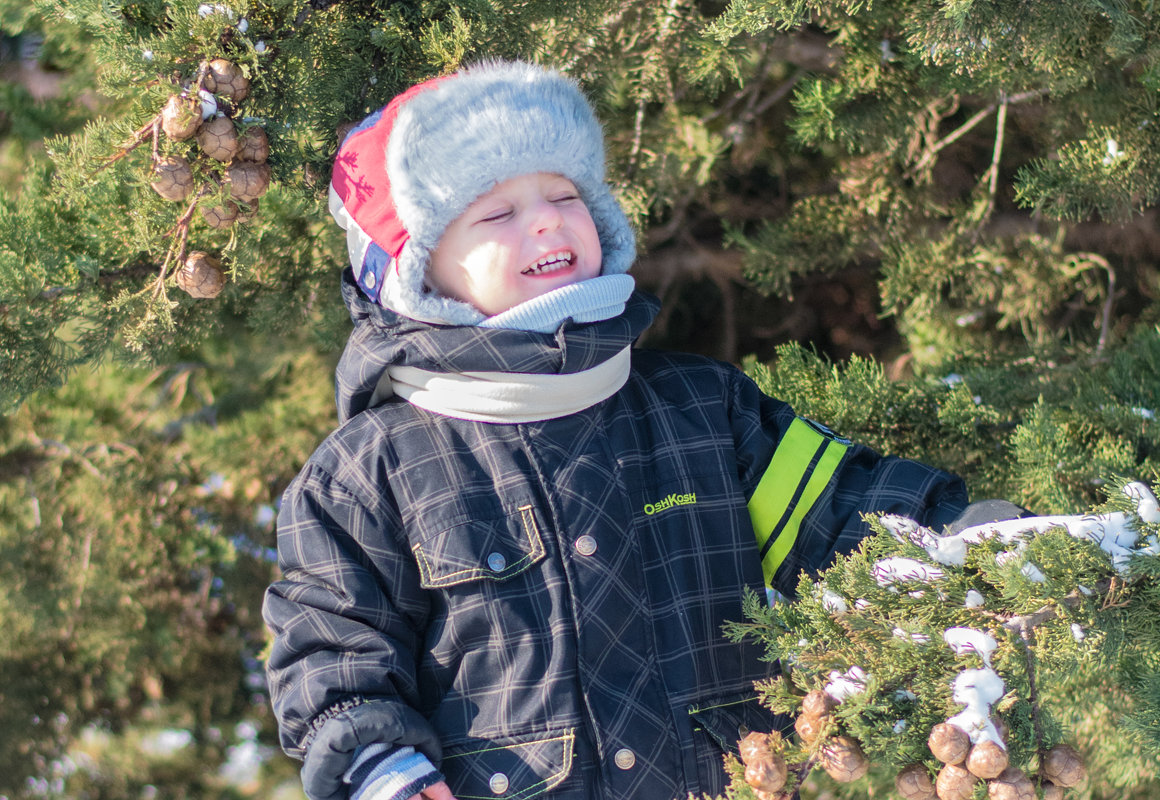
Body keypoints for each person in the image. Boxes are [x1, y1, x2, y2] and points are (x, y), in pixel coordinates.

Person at [262, 60, 972, 800]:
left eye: (565, 194)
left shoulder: (700, 407)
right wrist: (379, 763)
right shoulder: (371, 469)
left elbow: (841, 510)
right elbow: (332, 647)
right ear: (418, 274)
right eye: (495, 213)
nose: (545, 219)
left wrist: (976, 539)